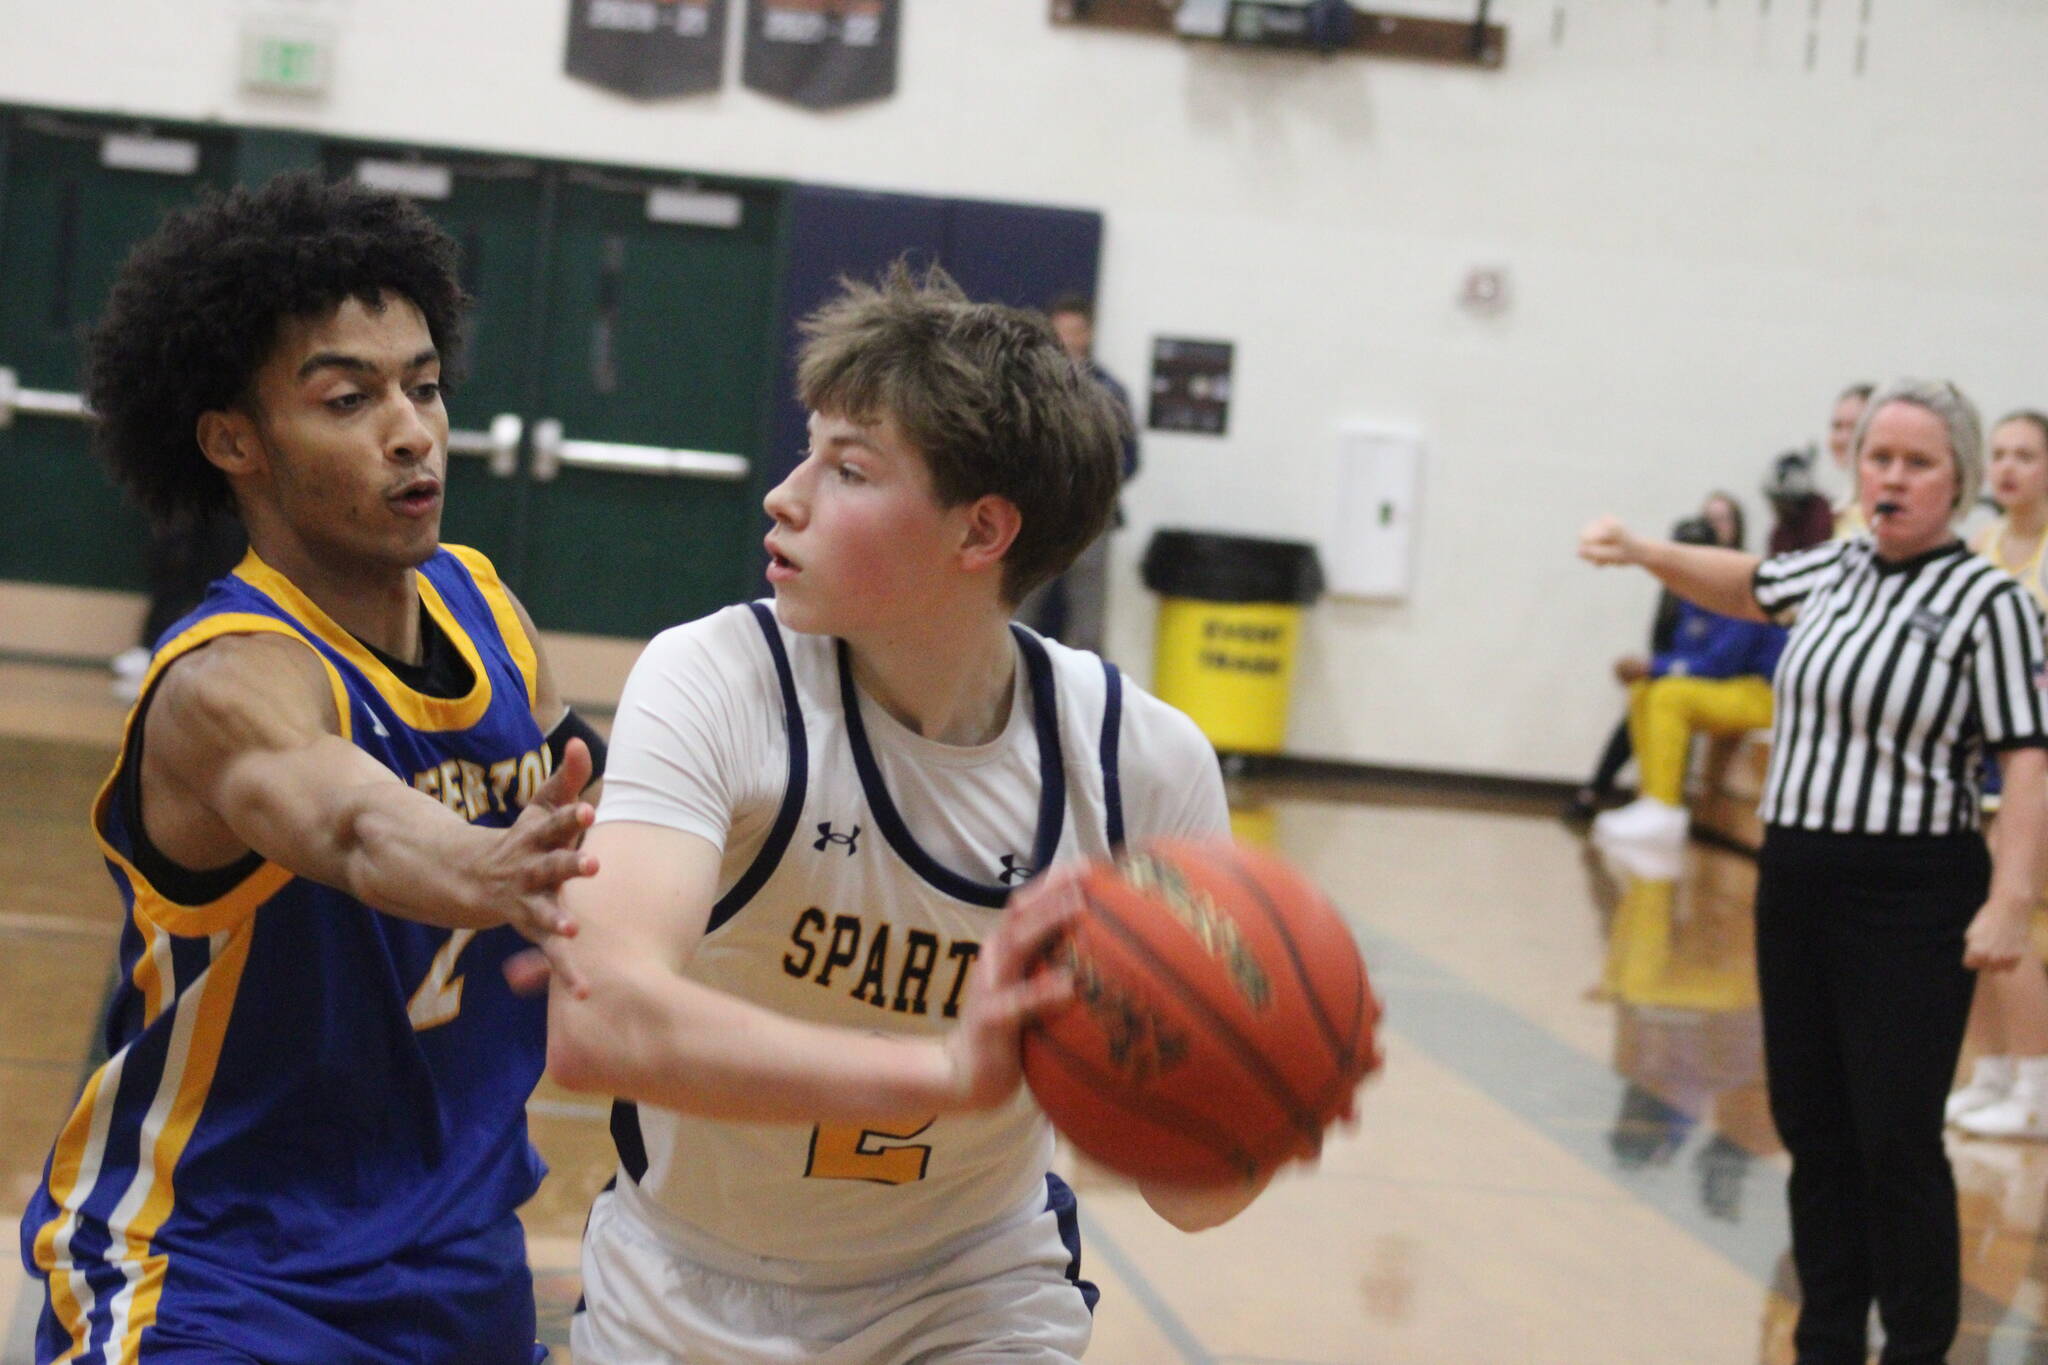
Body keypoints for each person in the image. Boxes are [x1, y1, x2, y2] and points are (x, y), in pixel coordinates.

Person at [541, 267, 1363, 1363]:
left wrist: (1272, 1094)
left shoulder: (1139, 764)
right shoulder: (717, 681)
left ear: (981, 532)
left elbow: (1191, 1203)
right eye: (806, 453)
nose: (784, 496)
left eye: (847, 470)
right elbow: (599, 1020)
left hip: (973, 1288)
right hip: (688, 1282)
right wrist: (942, 1072)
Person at [18, 173, 603, 1363]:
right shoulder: (224, 682)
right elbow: (353, 825)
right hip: (220, 1271)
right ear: (233, 440)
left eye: (423, 387)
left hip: (459, 1263)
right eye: (348, 398)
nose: (411, 431)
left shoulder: (484, 605)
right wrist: (485, 865)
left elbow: (617, 823)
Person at [1580, 377, 2048, 1365]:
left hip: (1912, 890)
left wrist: (2010, 898)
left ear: (1958, 478)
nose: (1892, 478)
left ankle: (1916, 1344)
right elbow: (1744, 581)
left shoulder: (1990, 602)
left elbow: (2025, 757)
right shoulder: (1835, 566)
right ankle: (1825, 1337)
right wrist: (1643, 552)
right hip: (1795, 880)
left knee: (1894, 1135)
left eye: (1916, 462)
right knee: (1812, 1125)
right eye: (1879, 458)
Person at [1947, 409, 2048, 1138]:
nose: (2008, 467)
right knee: (1967, 914)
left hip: (2036, 762)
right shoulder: (1981, 545)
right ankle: (1991, 1070)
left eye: (2026, 455)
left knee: (2006, 912)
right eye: (2000, 453)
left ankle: (2038, 1086)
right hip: (1981, 757)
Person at [1589, 504, 1786, 846]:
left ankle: (1665, 808)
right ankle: (1650, 800)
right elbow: (1687, 656)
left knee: (1669, 695)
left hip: (1767, 693)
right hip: (1731, 688)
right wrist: (1653, 669)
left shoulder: (1737, 585)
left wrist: (1654, 666)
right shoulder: (1687, 598)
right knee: (1645, 690)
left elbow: (1722, 664)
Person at [1014, 292, 1138, 655]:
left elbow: (1130, 457)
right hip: (1039, 510)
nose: (1068, 339)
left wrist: (1090, 485)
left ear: (1089, 334)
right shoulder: (1028, 385)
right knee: (1022, 604)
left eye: (1076, 331)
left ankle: (1087, 685)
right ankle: (1013, 677)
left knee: (1089, 615)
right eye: (1061, 331)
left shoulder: (1109, 391)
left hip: (1093, 513)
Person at [1827, 382, 1876, 540]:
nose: (1843, 438)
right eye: (1837, 426)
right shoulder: (1840, 507)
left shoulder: (1883, 509)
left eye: (1854, 427)